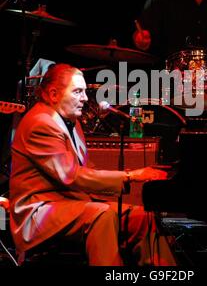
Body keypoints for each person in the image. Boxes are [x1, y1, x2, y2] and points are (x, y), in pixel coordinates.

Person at [9, 63, 177, 266]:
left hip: (70, 202)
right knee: (102, 216)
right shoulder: (41, 123)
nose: (86, 99)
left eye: (85, 92)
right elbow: (71, 176)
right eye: (78, 92)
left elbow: (86, 171)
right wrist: (131, 176)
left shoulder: (70, 120)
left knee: (140, 217)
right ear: (53, 94)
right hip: (40, 211)